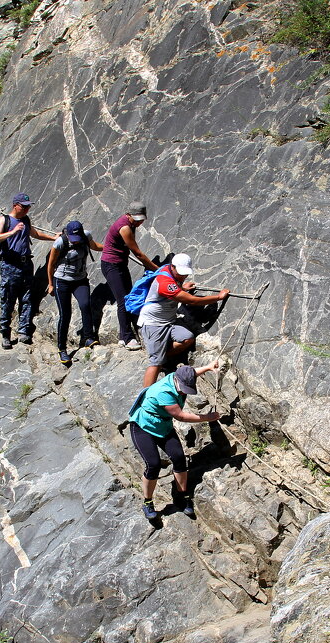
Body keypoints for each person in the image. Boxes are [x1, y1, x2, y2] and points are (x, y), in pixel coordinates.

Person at [127, 360, 221, 521]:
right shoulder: (163, 392)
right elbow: (181, 416)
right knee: (153, 464)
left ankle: (182, 496)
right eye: (183, 389)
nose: (184, 393)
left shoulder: (180, 376)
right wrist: (208, 417)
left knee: (178, 458)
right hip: (143, 427)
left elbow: (191, 372)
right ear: (176, 381)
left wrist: (208, 367)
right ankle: (148, 502)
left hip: (162, 426)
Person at [138, 253, 229, 387]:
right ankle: (146, 396)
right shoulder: (164, 282)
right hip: (153, 324)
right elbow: (192, 301)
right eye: (181, 273)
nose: (183, 276)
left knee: (187, 338)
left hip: (169, 321)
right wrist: (218, 298)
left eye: (185, 273)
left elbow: (176, 289)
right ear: (172, 267)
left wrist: (182, 288)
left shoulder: (170, 272)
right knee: (155, 364)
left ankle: (164, 356)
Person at [0, 192, 56, 349]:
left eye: (28, 206)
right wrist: (12, 232)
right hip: (9, 266)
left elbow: (35, 234)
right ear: (16, 205)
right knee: (8, 300)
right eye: (24, 206)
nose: (27, 209)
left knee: (26, 299)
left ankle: (23, 331)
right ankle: (5, 334)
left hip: (26, 264)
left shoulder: (25, 220)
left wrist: (54, 238)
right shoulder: (4, 220)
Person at [100, 201, 157, 350]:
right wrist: (158, 270)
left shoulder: (131, 224)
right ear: (128, 215)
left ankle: (123, 335)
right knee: (123, 300)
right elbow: (138, 253)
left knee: (130, 297)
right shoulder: (125, 228)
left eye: (141, 219)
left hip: (120, 264)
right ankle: (127, 337)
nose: (139, 222)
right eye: (137, 219)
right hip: (111, 265)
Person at [46, 219, 103, 365]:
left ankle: (88, 337)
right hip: (62, 281)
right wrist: (51, 284)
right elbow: (51, 264)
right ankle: (62, 349)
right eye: (73, 239)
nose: (76, 242)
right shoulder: (60, 242)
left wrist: (111, 247)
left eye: (78, 239)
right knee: (65, 315)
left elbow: (95, 246)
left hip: (80, 279)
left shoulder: (86, 236)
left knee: (85, 304)